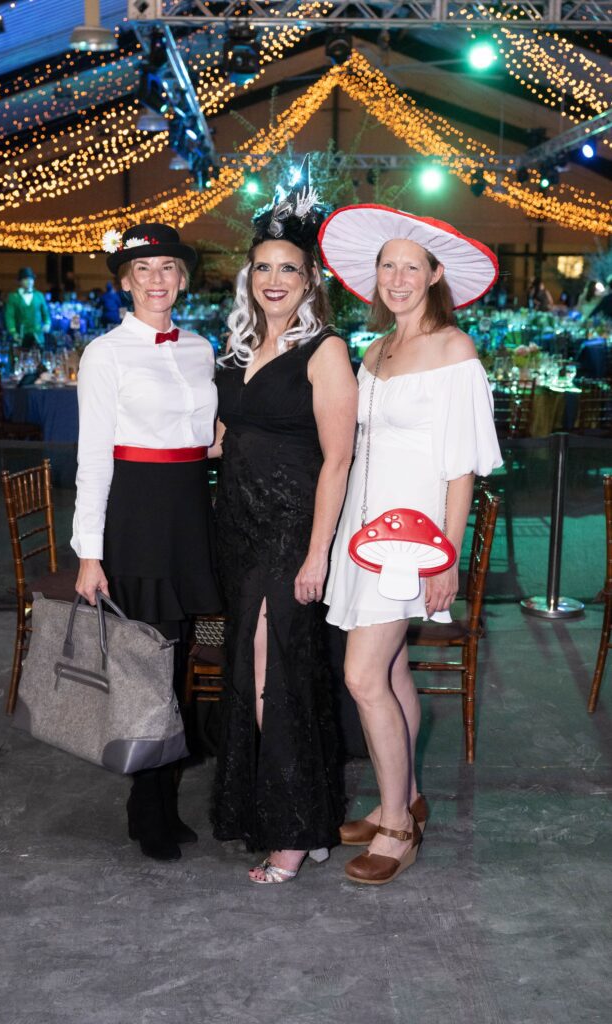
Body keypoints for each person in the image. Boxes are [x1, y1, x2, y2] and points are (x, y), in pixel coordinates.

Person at [319, 205, 503, 885]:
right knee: (389, 672)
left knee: (362, 676)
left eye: (409, 267)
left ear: (432, 276)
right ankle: (404, 795)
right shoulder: (372, 350)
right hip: (360, 539)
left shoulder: (453, 348)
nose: (396, 277)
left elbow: (461, 466)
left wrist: (445, 557)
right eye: (386, 265)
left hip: (412, 546)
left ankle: (399, 826)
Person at [209, 181, 358, 884]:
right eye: (263, 268)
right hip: (235, 528)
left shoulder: (324, 350)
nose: (274, 280)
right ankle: (308, 817)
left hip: (291, 528)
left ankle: (293, 835)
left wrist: (317, 552)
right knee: (254, 669)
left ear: (310, 280)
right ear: (250, 278)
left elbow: (338, 459)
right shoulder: (237, 346)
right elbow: (216, 439)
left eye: (287, 269)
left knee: (276, 675)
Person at [72, 222, 220, 861]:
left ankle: (157, 801)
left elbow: (202, 436)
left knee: (181, 659)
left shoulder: (202, 349)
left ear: (182, 279)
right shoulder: (106, 353)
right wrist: (88, 552)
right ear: (125, 282)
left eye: (167, 268)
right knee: (145, 666)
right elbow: (93, 458)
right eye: (144, 270)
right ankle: (148, 805)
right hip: (136, 515)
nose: (156, 280)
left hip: (191, 513)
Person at [4, 267, 51, 349]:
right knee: (22, 357)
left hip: (37, 334)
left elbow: (45, 312)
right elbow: (10, 316)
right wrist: (13, 332)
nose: (29, 282)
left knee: (39, 356)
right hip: (21, 334)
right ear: (20, 281)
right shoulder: (14, 297)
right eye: (26, 279)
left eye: (31, 279)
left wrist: (47, 323)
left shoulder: (39, 295)